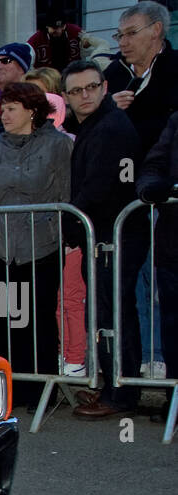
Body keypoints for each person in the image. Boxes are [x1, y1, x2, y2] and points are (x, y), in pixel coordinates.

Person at [0, 82, 74, 404]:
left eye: (11, 108)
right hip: (0, 247)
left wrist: (62, 232)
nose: (3, 114)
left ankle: (42, 389)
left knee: (40, 318)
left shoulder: (59, 145)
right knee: (4, 317)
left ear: (32, 111)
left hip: (41, 245)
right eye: (2, 108)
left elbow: (65, 192)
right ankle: (10, 387)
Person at [61, 59, 146, 418]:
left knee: (115, 313)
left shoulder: (110, 127)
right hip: (107, 233)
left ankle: (121, 393)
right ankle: (115, 386)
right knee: (110, 311)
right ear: (66, 96)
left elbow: (96, 187)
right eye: (77, 90)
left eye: (92, 87)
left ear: (104, 87)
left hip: (115, 234)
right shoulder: (96, 125)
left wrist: (70, 223)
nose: (85, 95)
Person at [103, 2, 178, 155]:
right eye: (120, 35)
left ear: (156, 30)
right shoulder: (110, 73)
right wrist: (106, 107)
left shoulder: (175, 67)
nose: (122, 43)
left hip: (165, 169)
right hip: (119, 168)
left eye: (131, 33)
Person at [137, 110, 178, 388]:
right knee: (173, 322)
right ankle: (174, 395)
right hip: (172, 242)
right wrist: (150, 187)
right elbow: (152, 165)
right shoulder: (175, 121)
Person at [29, 6, 84, 71]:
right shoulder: (37, 39)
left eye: (62, 27)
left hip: (72, 75)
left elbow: (94, 47)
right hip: (47, 78)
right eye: (55, 28)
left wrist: (86, 46)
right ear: (47, 26)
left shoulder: (75, 32)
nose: (59, 31)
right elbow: (27, 58)